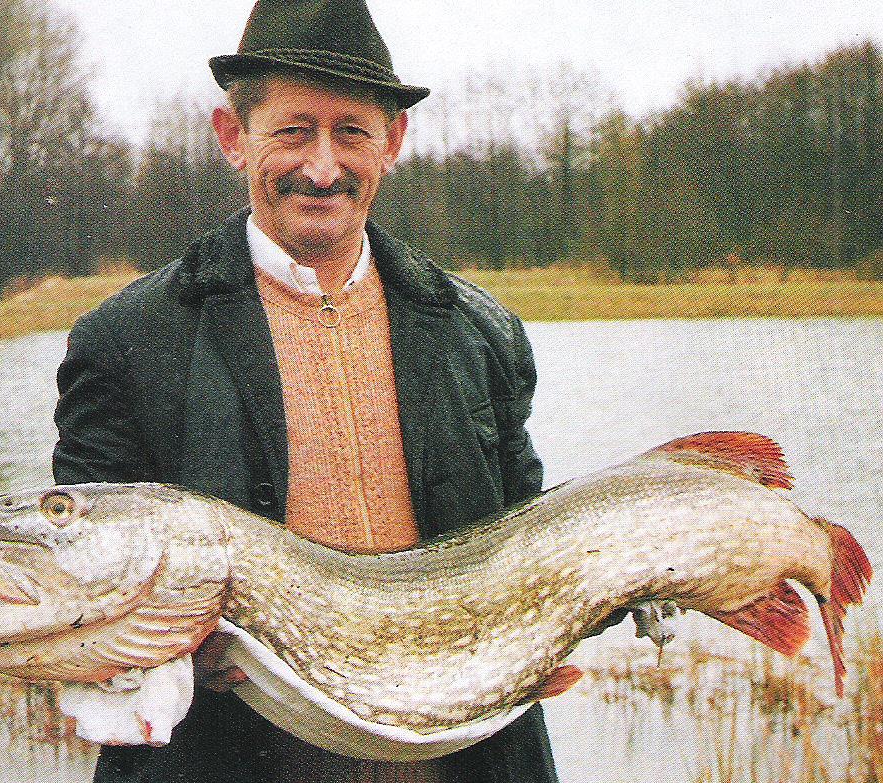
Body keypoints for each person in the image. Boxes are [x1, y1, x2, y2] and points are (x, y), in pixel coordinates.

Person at [52, 1, 558, 781]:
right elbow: (84, 585)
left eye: (351, 131)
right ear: (233, 137)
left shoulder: (480, 331)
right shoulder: (124, 340)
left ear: (393, 142)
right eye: (293, 130)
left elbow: (539, 549)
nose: (322, 166)